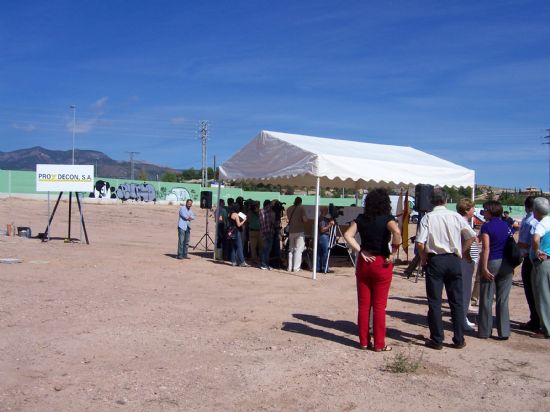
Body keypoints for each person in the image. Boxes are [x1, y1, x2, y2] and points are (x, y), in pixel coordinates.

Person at [415, 188, 476, 350]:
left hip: (435, 260)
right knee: (456, 301)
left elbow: (420, 242)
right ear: (446, 200)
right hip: (453, 259)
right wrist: (461, 252)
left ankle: (437, 339)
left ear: (431, 201)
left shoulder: (428, 217)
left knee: (434, 301)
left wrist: (423, 258)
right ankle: (459, 338)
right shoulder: (455, 216)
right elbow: (471, 235)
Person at [343, 188, 401, 352]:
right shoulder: (388, 219)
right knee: (379, 306)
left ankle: (363, 342)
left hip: (364, 262)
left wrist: (360, 250)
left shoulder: (361, 218)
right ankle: (379, 344)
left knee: (363, 305)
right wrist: (394, 251)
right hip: (381, 263)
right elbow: (396, 232)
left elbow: (348, 235)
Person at [477, 200, 514, 340]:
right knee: (503, 299)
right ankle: (504, 331)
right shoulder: (507, 225)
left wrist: (484, 267)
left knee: (486, 297)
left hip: (492, 261)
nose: (484, 211)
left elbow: (486, 248)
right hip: (507, 263)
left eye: (485, 209)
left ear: (490, 211)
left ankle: (485, 331)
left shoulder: (487, 227)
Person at [456, 198, 480, 331]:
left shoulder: (462, 222)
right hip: (465, 261)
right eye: (472, 208)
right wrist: (466, 255)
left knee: (465, 290)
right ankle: (462, 319)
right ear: (466, 210)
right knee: (464, 290)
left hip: (466, 260)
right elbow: (468, 239)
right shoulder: (462, 222)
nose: (474, 210)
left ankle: (463, 317)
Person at [518, 196, 540, 332]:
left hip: (529, 257)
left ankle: (535, 321)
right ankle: (537, 319)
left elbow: (525, 242)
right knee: (537, 291)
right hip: (536, 257)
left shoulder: (528, 221)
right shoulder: (538, 220)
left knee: (531, 291)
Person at [530, 197, 550, 339]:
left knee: (542, 296)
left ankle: (546, 329)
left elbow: (536, 239)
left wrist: (537, 251)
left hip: (543, 263)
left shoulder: (541, 224)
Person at [286, 197, 308, 272]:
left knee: (291, 250)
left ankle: (289, 267)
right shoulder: (301, 208)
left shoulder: (289, 208)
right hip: (299, 231)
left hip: (291, 231)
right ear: (300, 202)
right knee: (298, 250)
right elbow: (305, 220)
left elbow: (289, 219)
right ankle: (296, 268)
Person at [317, 206, 335, 273]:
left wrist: (331, 219)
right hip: (323, 236)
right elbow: (322, 230)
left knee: (320, 253)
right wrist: (330, 225)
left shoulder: (323, 218)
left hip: (322, 237)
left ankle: (318, 268)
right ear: (323, 211)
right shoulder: (321, 218)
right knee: (325, 252)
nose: (328, 211)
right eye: (326, 210)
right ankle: (325, 268)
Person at [259, 199, 276, 270]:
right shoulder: (268, 211)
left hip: (263, 231)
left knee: (264, 249)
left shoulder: (261, 211)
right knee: (268, 249)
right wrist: (274, 202)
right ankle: (265, 264)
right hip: (269, 231)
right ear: (268, 205)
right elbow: (273, 221)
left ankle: (263, 264)